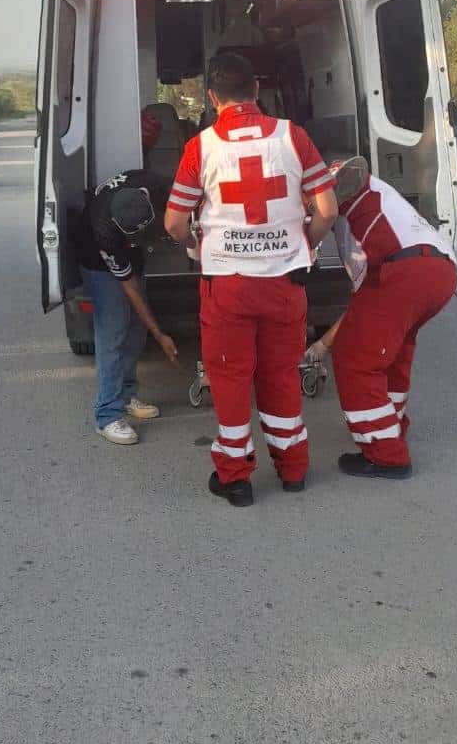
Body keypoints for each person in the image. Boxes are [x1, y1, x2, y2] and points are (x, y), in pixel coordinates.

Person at [164, 52, 338, 507]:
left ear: (212, 97)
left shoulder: (200, 147)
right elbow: (328, 210)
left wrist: (196, 245)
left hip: (227, 287)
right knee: (281, 374)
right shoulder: (293, 136)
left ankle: (236, 479)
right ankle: (293, 470)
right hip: (286, 284)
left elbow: (173, 221)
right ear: (257, 91)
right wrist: (306, 242)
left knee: (230, 378)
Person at [306, 157, 457, 480]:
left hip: (404, 273)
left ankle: (385, 454)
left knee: (355, 357)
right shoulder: (380, 194)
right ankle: (391, 424)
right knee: (394, 351)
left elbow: (361, 301)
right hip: (442, 271)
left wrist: (322, 345)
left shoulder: (348, 222)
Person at [72, 168, 179, 445]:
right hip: (96, 261)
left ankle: (127, 394)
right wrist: (161, 335)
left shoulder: (153, 182)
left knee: (136, 329)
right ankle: (107, 415)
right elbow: (130, 288)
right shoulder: (103, 232)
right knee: (114, 329)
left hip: (130, 250)